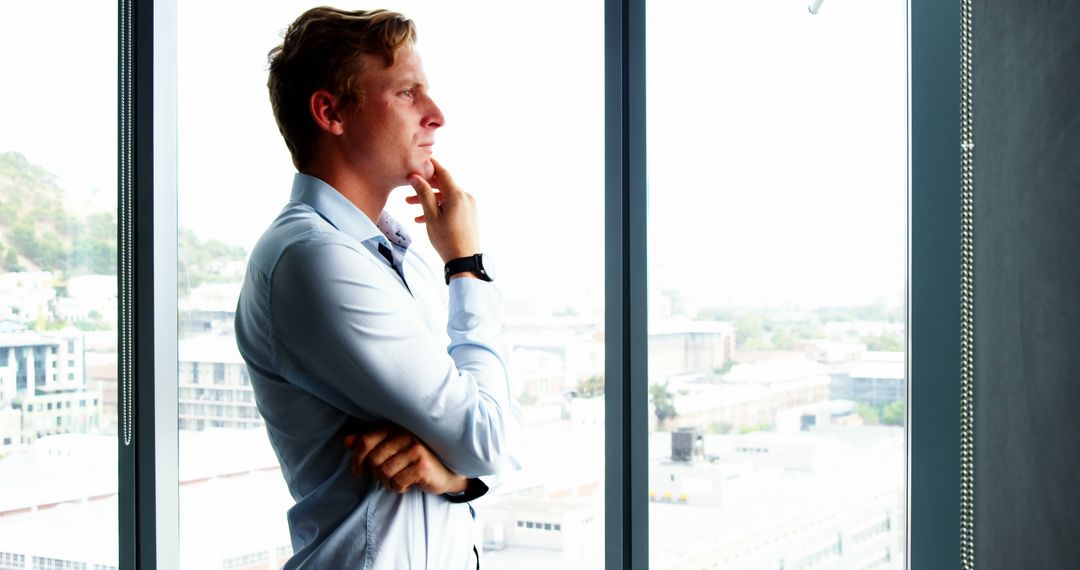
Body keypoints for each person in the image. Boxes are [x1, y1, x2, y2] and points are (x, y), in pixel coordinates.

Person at [234, 7, 523, 569]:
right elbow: (488, 435)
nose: (436, 115)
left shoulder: (401, 257)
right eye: (407, 93)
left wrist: (457, 476)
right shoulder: (314, 259)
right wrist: (465, 265)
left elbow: (502, 433)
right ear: (330, 111)